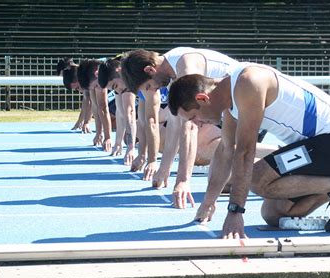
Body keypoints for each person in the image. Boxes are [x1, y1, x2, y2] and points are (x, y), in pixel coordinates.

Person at [168, 62, 330, 239]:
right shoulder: (229, 99)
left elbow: (245, 152)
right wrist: (208, 202)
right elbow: (225, 150)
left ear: (203, 99)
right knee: (274, 214)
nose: (197, 123)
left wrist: (235, 212)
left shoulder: (248, 83)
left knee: (257, 180)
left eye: (193, 117)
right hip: (317, 146)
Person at [121, 47, 239, 208]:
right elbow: (175, 124)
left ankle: (275, 154)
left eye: (149, 86)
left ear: (150, 69)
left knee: (202, 146)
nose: (154, 91)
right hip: (229, 116)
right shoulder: (173, 76)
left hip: (249, 113)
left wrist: (183, 180)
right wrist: (164, 169)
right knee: (223, 181)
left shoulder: (185, 66)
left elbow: (189, 128)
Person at [98, 56, 224, 174]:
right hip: (212, 113)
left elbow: (184, 125)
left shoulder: (180, 69)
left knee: (187, 132)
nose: (119, 92)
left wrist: (182, 178)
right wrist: (144, 156)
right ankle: (216, 157)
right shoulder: (149, 82)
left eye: (115, 86)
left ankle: (224, 155)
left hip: (222, 113)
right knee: (171, 130)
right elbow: (144, 121)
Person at [77, 59, 115, 154]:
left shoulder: (116, 72)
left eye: (96, 86)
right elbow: (96, 106)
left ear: (97, 74)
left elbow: (103, 107)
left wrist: (108, 137)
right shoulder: (95, 76)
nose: (97, 88)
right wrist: (99, 133)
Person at [56, 58, 92, 134]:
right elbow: (86, 100)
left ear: (68, 68)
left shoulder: (85, 73)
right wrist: (80, 120)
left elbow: (90, 102)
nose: (65, 77)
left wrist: (86, 122)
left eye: (63, 75)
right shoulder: (80, 72)